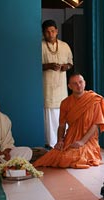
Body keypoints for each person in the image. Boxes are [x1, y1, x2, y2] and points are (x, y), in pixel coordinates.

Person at [33, 73, 104, 169]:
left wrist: (82, 141)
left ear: (84, 83)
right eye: (74, 83)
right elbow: (61, 125)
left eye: (80, 82)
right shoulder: (65, 103)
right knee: (54, 155)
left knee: (70, 157)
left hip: (88, 139)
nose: (78, 85)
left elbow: (96, 125)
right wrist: (60, 140)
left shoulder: (94, 100)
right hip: (71, 137)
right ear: (69, 86)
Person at [0, 92, 32, 175]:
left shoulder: (4, 119)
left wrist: (6, 152)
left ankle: (0, 166)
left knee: (27, 151)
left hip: (3, 154)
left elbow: (8, 142)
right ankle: (7, 166)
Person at [42, 19, 73, 148]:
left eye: (53, 31)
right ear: (44, 33)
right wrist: (48, 65)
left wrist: (66, 66)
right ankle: (51, 142)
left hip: (61, 86)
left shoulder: (65, 45)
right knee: (49, 113)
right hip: (47, 86)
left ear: (57, 31)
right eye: (48, 32)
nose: (51, 34)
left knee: (62, 111)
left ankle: (62, 141)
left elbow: (71, 62)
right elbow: (33, 65)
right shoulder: (40, 46)